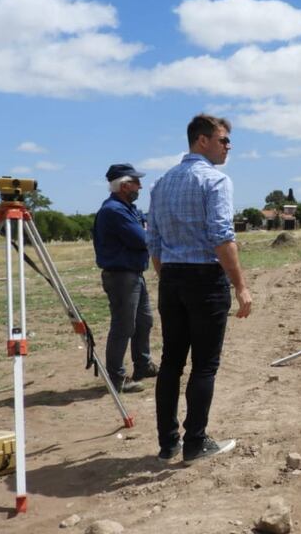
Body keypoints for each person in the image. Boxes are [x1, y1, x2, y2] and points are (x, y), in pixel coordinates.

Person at [147, 114, 253, 466]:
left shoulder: (161, 184)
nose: (228, 147)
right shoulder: (216, 181)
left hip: (172, 279)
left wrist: (169, 277)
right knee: (204, 366)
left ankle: (167, 443)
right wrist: (240, 286)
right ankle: (195, 441)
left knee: (171, 362)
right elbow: (222, 237)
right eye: (223, 140)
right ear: (202, 141)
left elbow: (155, 244)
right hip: (205, 279)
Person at [93, 163, 157, 394]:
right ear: (124, 185)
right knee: (124, 326)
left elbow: (146, 227)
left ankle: (143, 364)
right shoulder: (115, 211)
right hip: (121, 276)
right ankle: (117, 378)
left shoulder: (126, 207)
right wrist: (150, 230)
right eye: (136, 182)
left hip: (133, 274)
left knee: (144, 321)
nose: (140, 186)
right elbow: (143, 238)